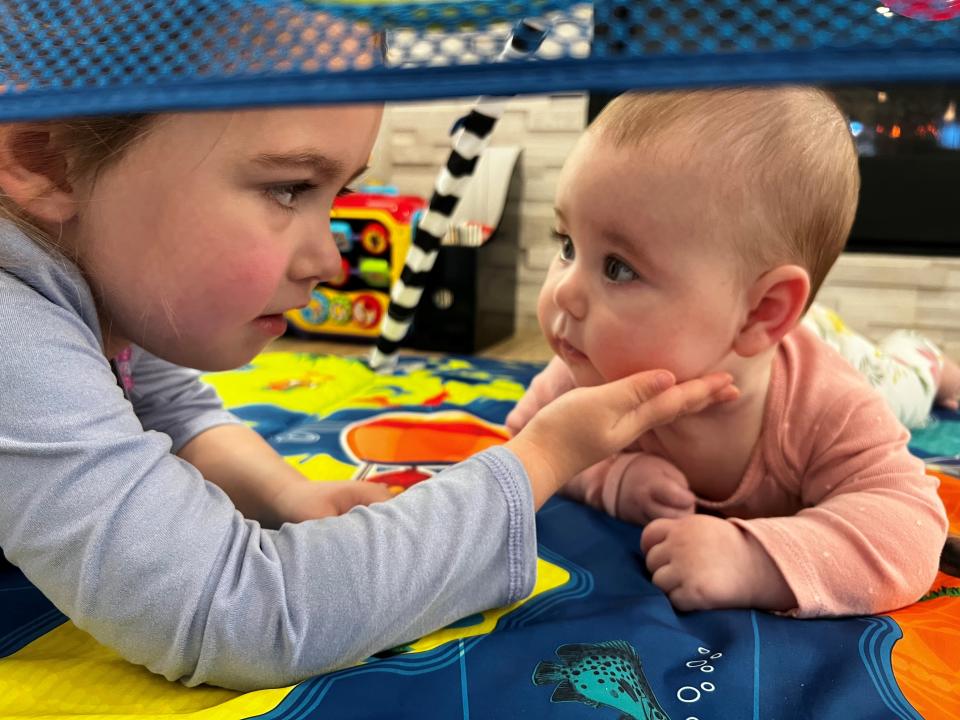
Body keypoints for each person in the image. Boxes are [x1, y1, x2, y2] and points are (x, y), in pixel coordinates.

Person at [0, 108, 740, 691]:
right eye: (288, 188)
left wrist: (287, 492)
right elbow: (240, 611)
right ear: (43, 156)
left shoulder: (92, 296)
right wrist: (543, 457)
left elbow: (169, 405)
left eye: (338, 194)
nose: (331, 258)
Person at [506, 87, 949, 618]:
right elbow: (528, 440)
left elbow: (913, 526)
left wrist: (756, 561)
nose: (563, 293)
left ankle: (933, 363)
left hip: (851, 362)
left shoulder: (829, 408)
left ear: (759, 311)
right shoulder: (586, 367)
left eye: (618, 268)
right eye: (567, 245)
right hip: (769, 343)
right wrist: (610, 479)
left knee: (904, 379)